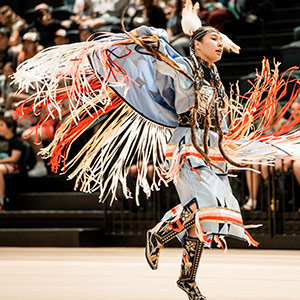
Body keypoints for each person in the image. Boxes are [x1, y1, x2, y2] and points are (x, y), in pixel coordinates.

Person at [11, 0, 300, 298]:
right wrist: (155, 34)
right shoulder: (181, 66)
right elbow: (152, 46)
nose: (219, 42)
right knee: (209, 203)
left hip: (212, 146)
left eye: (219, 38)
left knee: (206, 216)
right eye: (212, 38)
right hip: (187, 142)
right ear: (196, 45)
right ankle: (159, 233)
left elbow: (220, 116)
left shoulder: (214, 79)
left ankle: (187, 278)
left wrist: (230, 142)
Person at [0, 116, 24, 210]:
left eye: (1, 125)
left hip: (15, 167)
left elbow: (14, 159)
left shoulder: (17, 141)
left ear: (10, 128)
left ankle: (1, 199)